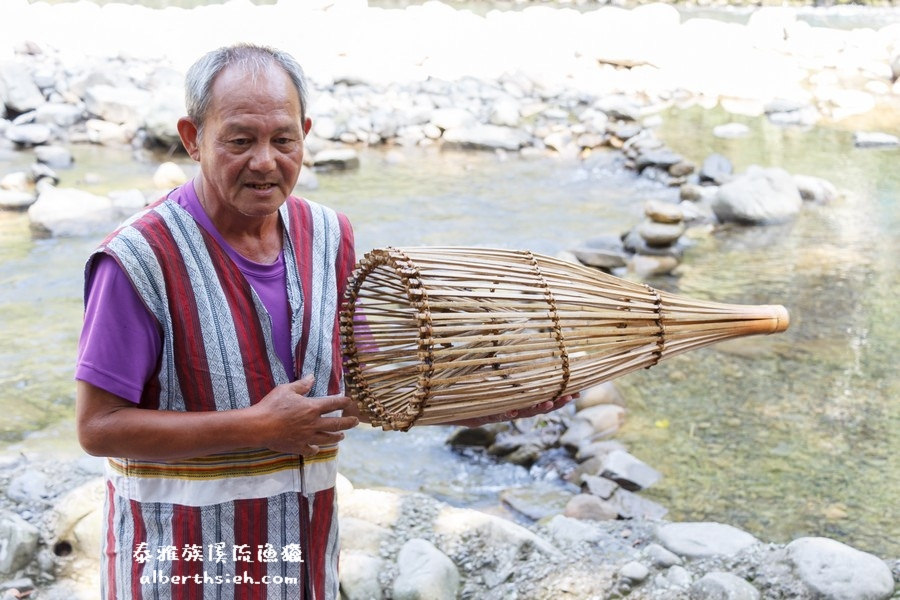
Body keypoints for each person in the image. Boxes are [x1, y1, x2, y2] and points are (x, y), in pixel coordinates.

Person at [75, 43, 571, 599]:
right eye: (240, 140)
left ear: (305, 133)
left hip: (299, 562)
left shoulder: (329, 238)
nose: (265, 161)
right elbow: (97, 428)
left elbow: (367, 392)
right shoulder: (139, 261)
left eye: (283, 140)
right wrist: (256, 426)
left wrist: (492, 402)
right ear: (193, 138)